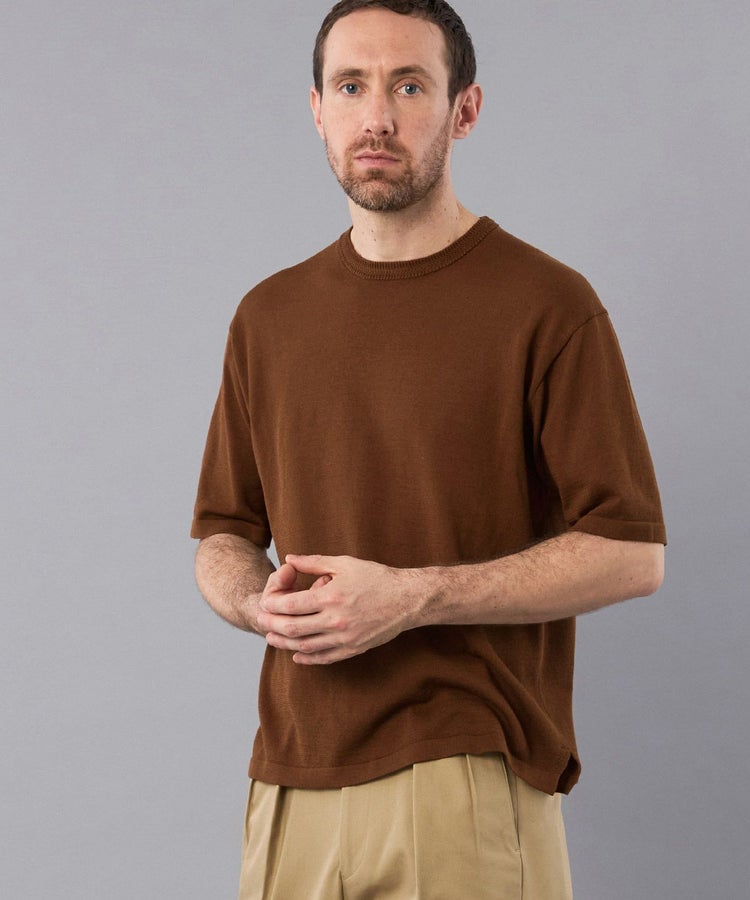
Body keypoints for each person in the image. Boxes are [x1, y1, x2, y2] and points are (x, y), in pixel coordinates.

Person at [191, 1, 666, 897]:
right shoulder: (268, 316)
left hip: (465, 773)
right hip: (289, 778)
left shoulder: (548, 305)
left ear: (464, 109)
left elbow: (633, 552)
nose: (376, 116)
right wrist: (259, 606)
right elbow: (223, 533)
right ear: (317, 110)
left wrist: (414, 597)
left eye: (409, 86)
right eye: (351, 87)